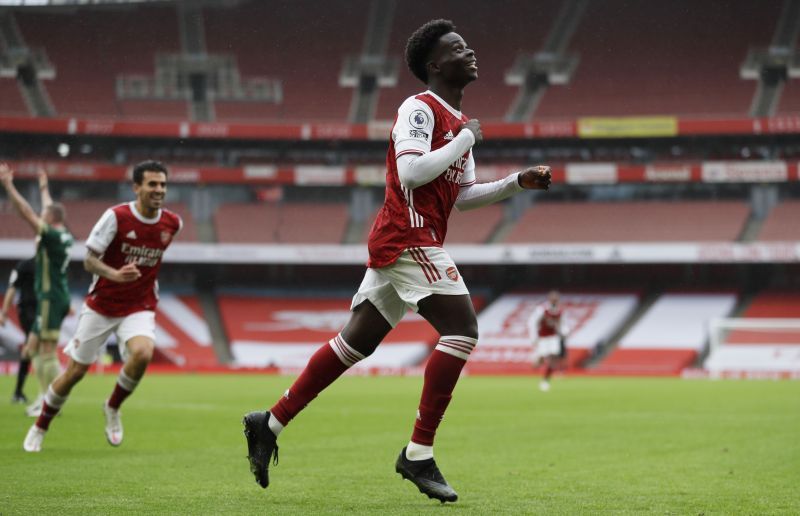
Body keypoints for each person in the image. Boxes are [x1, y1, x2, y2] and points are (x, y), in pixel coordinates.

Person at [242, 19, 552, 503]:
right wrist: (466, 139)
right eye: (458, 47)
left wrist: (515, 182)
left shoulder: (454, 117)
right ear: (434, 64)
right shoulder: (420, 109)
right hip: (409, 237)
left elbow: (463, 196)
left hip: (405, 239)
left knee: (354, 344)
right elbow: (410, 172)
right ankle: (418, 453)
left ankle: (270, 422)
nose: (470, 52)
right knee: (463, 331)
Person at [23, 160, 182, 452]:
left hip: (139, 304)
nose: (159, 189)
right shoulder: (116, 217)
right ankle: (40, 425)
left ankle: (112, 406)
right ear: (136, 187)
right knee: (74, 373)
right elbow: (88, 259)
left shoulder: (173, 223)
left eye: (162, 184)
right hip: (102, 305)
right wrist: (115, 274)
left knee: (143, 353)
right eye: (152, 184)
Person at [0, 165, 73, 416]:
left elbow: (26, 212)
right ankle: (46, 398)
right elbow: (48, 208)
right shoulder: (63, 234)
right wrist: (43, 187)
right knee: (36, 348)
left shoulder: (50, 236)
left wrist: (8, 185)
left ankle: (50, 402)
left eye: (45, 216)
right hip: (57, 297)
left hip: (49, 299)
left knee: (45, 351)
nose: (41, 217)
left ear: (50, 219)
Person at [1, 257, 36, 403]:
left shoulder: (52, 264)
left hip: (44, 311)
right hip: (27, 310)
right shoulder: (25, 265)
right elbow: (12, 287)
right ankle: (44, 396)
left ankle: (18, 392)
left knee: (31, 347)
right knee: (35, 345)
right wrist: (4, 312)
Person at [527, 290, 568, 392]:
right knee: (540, 360)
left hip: (553, 337)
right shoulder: (542, 309)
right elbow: (532, 322)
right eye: (553, 299)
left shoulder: (560, 311)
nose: (555, 301)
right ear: (550, 299)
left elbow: (563, 324)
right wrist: (534, 337)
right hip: (543, 338)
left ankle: (545, 380)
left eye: (556, 299)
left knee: (553, 358)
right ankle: (538, 358)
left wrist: (564, 332)